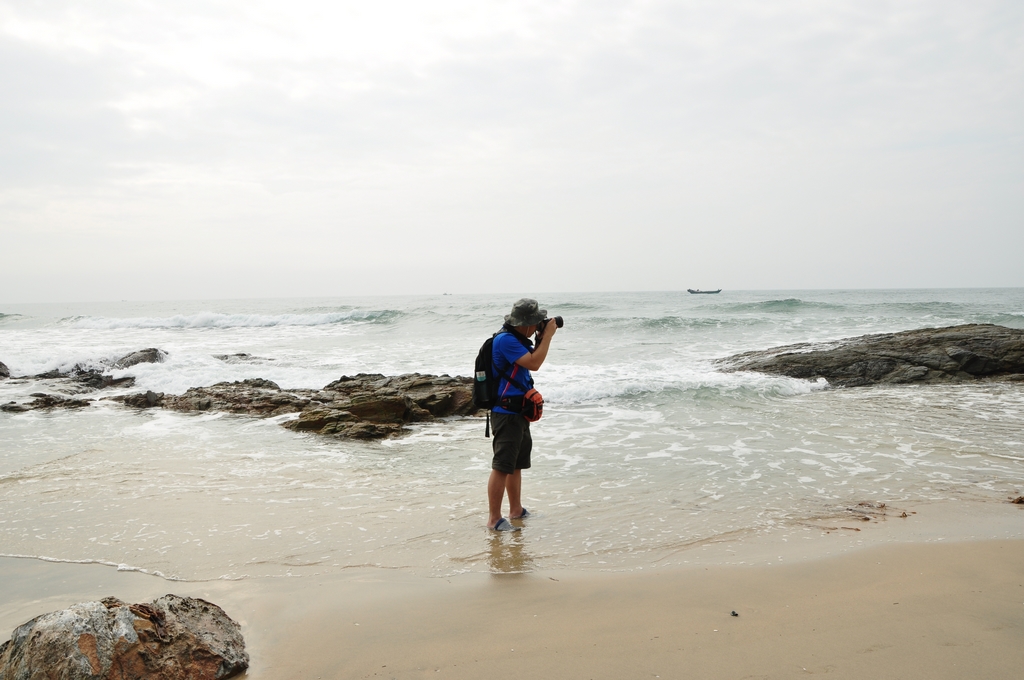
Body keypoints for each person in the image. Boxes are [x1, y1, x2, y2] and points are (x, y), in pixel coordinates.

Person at [487, 298, 558, 531]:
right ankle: (494, 519)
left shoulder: (517, 339)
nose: (538, 325)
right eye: (536, 322)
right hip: (506, 412)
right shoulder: (506, 340)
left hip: (518, 411)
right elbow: (534, 363)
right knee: (502, 466)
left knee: (515, 464)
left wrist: (540, 337)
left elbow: (530, 361)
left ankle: (515, 510)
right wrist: (547, 336)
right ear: (525, 323)